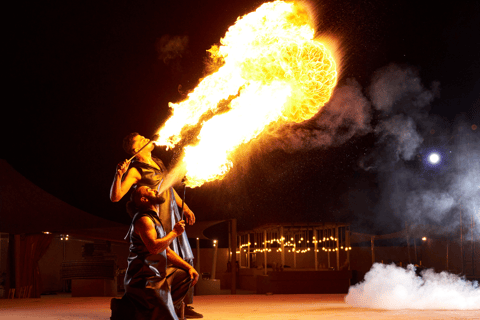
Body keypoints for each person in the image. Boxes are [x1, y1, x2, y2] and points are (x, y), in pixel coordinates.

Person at [110, 132, 202, 318]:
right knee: (163, 259)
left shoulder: (158, 162)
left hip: (172, 213)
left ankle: (181, 304)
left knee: (185, 257)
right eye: (141, 140)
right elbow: (116, 196)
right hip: (157, 216)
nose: (147, 139)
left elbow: (168, 186)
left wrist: (185, 207)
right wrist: (118, 175)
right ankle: (159, 305)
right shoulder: (136, 170)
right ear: (135, 150)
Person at [111, 186, 199, 320]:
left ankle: (162, 306)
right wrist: (174, 233)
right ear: (144, 199)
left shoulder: (155, 219)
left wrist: (189, 267)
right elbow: (154, 248)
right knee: (165, 317)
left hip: (158, 274)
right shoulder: (144, 220)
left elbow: (167, 251)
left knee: (185, 274)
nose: (155, 189)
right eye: (149, 189)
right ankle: (131, 306)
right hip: (144, 280)